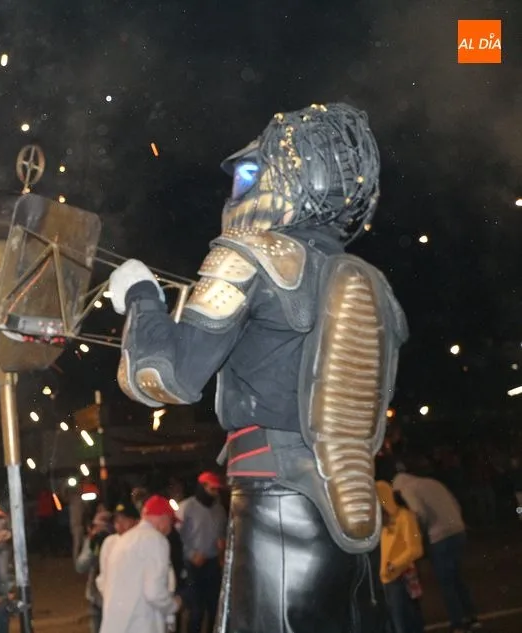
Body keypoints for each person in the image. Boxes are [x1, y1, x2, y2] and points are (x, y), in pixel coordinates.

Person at [110, 103, 407, 633]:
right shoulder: (373, 282)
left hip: (276, 504)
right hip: (352, 507)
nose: (238, 190)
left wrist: (140, 297)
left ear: (296, 176)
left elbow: (164, 378)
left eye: (250, 173)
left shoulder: (253, 254)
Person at [393, 470, 480, 632]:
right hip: (458, 530)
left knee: (446, 581)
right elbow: (455, 503)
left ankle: (457, 622)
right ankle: (472, 616)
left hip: (439, 536)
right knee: (457, 577)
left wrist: (419, 533)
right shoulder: (432, 482)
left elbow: (419, 512)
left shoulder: (407, 489)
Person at [98, 495, 181, 633]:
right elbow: (154, 592)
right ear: (163, 518)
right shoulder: (156, 540)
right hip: (140, 624)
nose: (170, 528)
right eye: (171, 522)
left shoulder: (124, 540)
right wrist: (173, 605)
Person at [176, 472, 226, 633]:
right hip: (192, 565)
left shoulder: (219, 509)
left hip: (212, 563)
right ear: (202, 487)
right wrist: (191, 554)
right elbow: (176, 537)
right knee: (196, 610)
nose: (215, 493)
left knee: (214, 608)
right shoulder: (186, 507)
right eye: (212, 489)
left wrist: (221, 545)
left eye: (217, 490)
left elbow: (221, 534)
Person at [376, 481, 425, 633]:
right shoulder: (382, 523)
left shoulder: (405, 517)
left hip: (401, 578)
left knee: (404, 623)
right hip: (387, 580)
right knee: (395, 624)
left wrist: (394, 565)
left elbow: (416, 549)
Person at [76, 509, 114, 633]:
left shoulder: (118, 542)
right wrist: (92, 546)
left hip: (113, 598)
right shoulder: (93, 541)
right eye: (96, 526)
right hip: (95, 597)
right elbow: (80, 567)